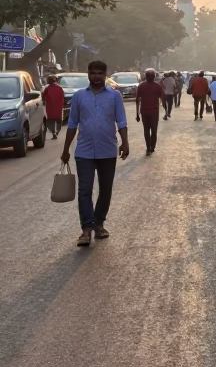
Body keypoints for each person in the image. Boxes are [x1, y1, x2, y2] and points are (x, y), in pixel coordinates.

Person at [61, 60, 129, 248]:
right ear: (88, 74)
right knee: (84, 190)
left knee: (105, 190)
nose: (96, 77)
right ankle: (86, 229)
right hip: (84, 151)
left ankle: (99, 224)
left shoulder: (115, 96)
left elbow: (121, 121)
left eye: (100, 73)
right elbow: (72, 123)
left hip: (107, 150)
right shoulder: (79, 96)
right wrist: (65, 149)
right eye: (93, 73)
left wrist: (125, 142)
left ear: (106, 75)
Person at [135, 68, 164, 155]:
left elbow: (137, 100)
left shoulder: (141, 86)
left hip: (144, 112)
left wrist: (137, 113)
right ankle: (152, 147)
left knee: (146, 130)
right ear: (154, 77)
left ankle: (148, 148)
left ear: (145, 77)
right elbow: (163, 97)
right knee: (154, 130)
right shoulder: (158, 86)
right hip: (154, 112)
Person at [41, 73, 66, 140]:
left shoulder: (47, 88)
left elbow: (43, 96)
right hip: (58, 108)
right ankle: (57, 132)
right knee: (58, 121)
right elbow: (63, 97)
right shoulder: (60, 88)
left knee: (50, 121)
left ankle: (53, 133)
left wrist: (44, 101)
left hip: (50, 108)